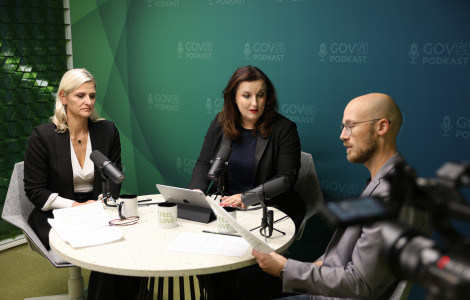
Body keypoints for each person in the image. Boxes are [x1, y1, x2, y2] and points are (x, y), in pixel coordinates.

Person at [241, 93, 431, 300]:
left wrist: (285, 269)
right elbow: (353, 257)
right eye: (343, 127)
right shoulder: (388, 182)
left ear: (381, 127)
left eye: (350, 125)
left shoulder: (394, 196)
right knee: (247, 281)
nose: (343, 135)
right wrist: (312, 268)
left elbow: (360, 283)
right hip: (330, 289)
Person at [188, 65, 306, 299]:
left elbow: (286, 179)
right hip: (227, 210)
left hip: (269, 208)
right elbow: (204, 163)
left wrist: (246, 197)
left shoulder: (284, 129)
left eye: (260, 95)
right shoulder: (220, 122)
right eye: (246, 95)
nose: (254, 103)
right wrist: (197, 193)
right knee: (205, 258)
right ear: (233, 97)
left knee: (234, 268)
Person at [24, 68, 140, 300]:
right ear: (63, 97)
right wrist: (78, 207)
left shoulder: (107, 131)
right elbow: (35, 191)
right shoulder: (43, 136)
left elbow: (114, 177)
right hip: (57, 215)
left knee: (130, 246)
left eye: (92, 95)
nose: (88, 101)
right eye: (80, 95)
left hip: (98, 210)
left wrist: (102, 201)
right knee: (104, 251)